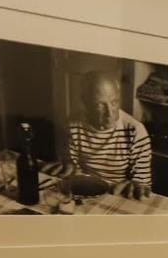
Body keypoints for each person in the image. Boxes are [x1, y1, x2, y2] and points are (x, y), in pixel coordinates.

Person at [65, 69, 152, 198]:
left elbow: (142, 182)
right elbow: (73, 168)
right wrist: (69, 168)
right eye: (100, 105)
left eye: (114, 102)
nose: (110, 114)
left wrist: (135, 185)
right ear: (85, 101)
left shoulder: (136, 130)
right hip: (86, 190)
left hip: (120, 194)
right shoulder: (73, 124)